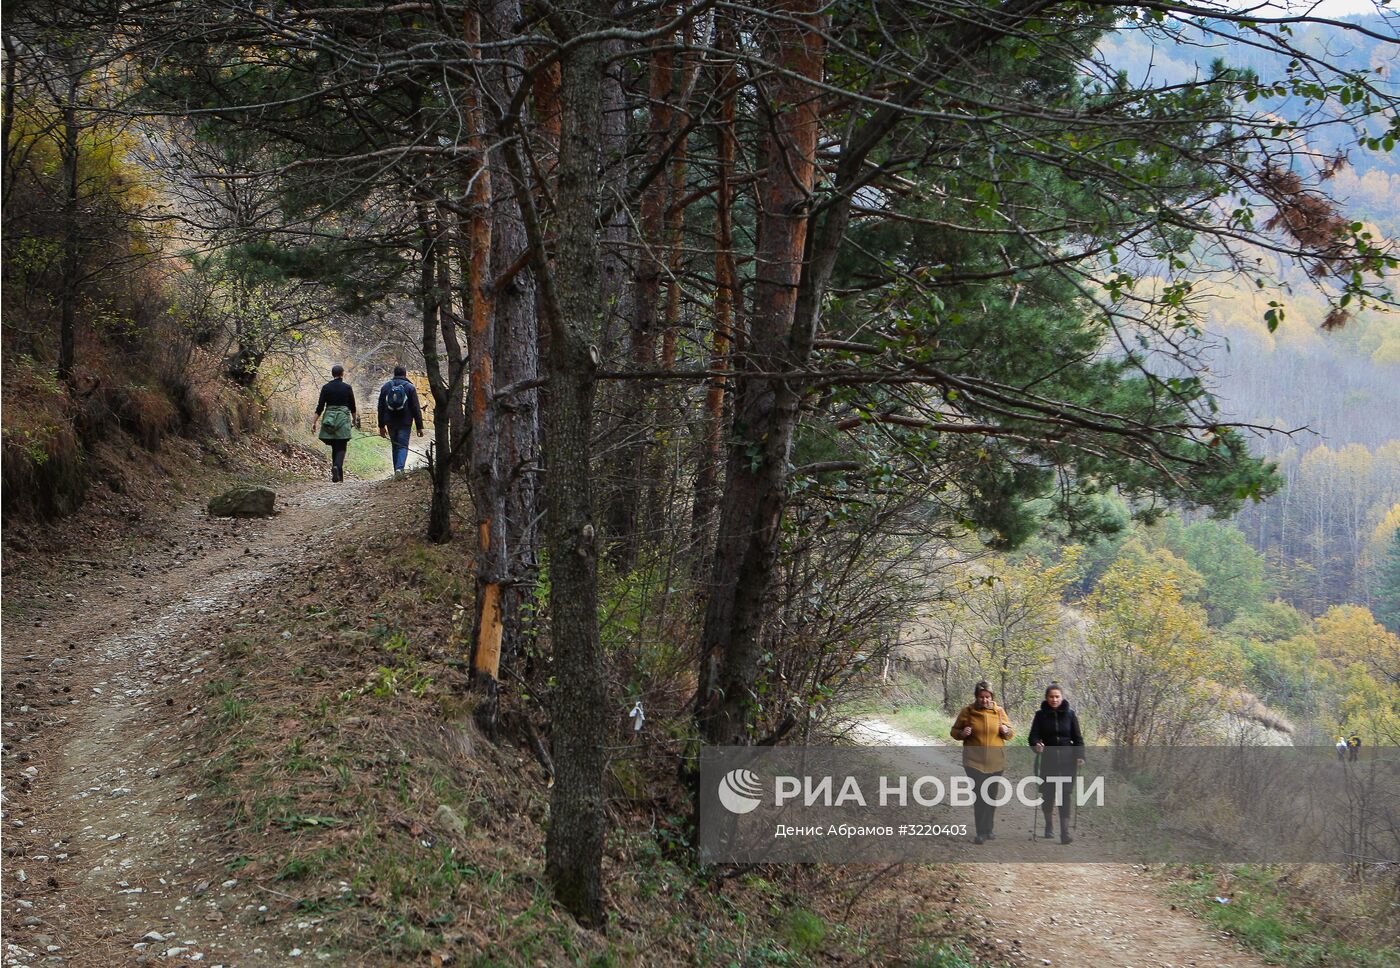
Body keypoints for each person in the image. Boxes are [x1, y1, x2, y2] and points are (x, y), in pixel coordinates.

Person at [950, 681, 1014, 845]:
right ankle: (980, 832)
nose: (984, 700)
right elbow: (954, 731)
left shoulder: (999, 712)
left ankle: (989, 828)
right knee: (980, 796)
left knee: (991, 796)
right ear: (976, 697)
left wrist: (1006, 731)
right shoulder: (968, 712)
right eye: (981, 697)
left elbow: (1010, 733)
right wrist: (962, 733)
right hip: (974, 762)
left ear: (992, 697)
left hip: (996, 762)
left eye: (987, 697)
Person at [1028, 682, 1086, 844]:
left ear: (1062, 697)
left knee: (1065, 795)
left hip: (1068, 762)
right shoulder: (1040, 715)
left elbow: (1078, 738)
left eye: (1057, 696)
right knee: (1048, 794)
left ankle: (1064, 833)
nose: (1054, 699)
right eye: (1051, 697)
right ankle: (1048, 826)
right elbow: (1032, 737)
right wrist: (1036, 745)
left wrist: (1080, 756)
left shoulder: (1070, 715)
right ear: (1046, 698)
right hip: (1048, 761)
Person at [312, 363, 358, 482]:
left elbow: (320, 407)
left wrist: (314, 422)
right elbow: (352, 406)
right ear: (342, 374)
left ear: (332, 374)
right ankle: (337, 467)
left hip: (329, 418)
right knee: (341, 445)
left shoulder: (326, 387)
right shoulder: (347, 387)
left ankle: (337, 474)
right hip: (342, 418)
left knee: (334, 445)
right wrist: (354, 419)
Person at [377, 365, 423, 477]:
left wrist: (381, 426)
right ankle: (399, 469)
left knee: (395, 445)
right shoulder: (410, 387)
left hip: (390, 421)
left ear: (394, 373)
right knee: (403, 445)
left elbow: (380, 407)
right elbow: (415, 407)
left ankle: (396, 470)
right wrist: (419, 426)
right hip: (405, 421)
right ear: (405, 374)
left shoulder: (386, 387)